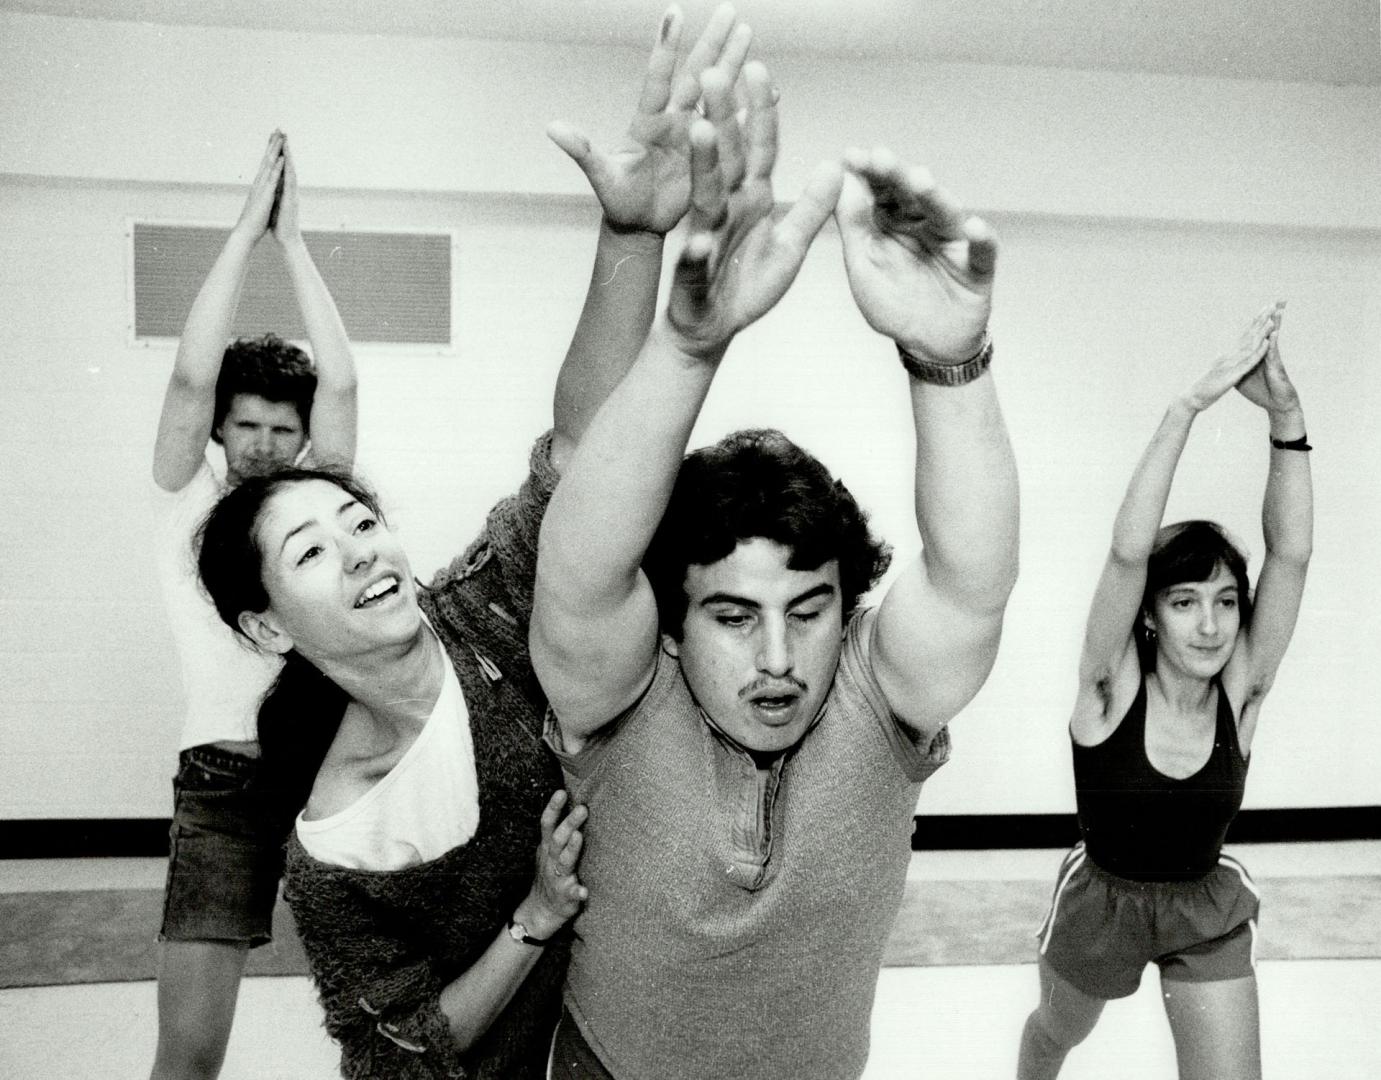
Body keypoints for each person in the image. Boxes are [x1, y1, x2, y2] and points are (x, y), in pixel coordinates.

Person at [193, 11, 759, 1078]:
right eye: (313, 553)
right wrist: (534, 918)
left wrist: (631, 237)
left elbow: (580, 456)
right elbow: (402, 1047)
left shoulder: (477, 612)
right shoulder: (333, 847)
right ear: (266, 620)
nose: (361, 550)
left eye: (359, 522)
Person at [530, 59, 1021, 1080]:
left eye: (808, 610)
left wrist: (948, 362)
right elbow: (579, 564)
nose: (778, 655)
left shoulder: (874, 705)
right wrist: (685, 347)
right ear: (672, 620)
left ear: (847, 608)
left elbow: (971, 581)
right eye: (731, 616)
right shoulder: (622, 701)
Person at [1017, 304, 1312, 1080]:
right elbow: (1124, 554)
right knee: (1054, 1035)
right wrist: (1186, 407)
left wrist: (1286, 418)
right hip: (1101, 902)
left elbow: (1290, 555)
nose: (1211, 626)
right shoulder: (1108, 687)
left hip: (1201, 906)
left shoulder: (1242, 692)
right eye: (1184, 602)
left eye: (1223, 601)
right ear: (1148, 618)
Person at [149, 130, 358, 1080]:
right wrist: (245, 229)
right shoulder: (184, 501)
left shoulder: (312, 510)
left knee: (399, 1018)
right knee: (190, 1055)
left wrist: (298, 245)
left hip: (334, 779)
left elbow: (343, 385)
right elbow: (190, 377)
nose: (268, 444)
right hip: (225, 790)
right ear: (221, 433)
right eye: (249, 426)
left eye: (285, 428)